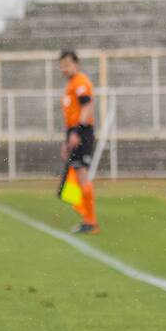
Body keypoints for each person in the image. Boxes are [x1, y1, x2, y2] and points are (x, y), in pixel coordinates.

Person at [58, 50, 99, 233]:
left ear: (76, 64)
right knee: (75, 174)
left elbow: (87, 106)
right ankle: (86, 219)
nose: (64, 68)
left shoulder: (81, 82)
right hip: (74, 132)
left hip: (82, 132)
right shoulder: (70, 85)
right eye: (62, 65)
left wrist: (77, 132)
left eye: (67, 64)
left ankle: (91, 221)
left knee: (81, 174)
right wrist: (67, 140)